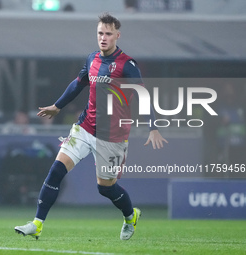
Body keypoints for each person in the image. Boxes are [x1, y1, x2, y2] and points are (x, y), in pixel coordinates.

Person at [15, 13, 168, 241]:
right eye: (100, 33)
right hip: (84, 128)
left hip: (113, 137)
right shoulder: (92, 59)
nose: (103, 38)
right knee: (56, 171)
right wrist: (58, 106)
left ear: (117, 35)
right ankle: (37, 224)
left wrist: (152, 127)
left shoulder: (127, 65)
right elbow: (78, 84)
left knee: (105, 188)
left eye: (108, 34)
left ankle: (130, 215)